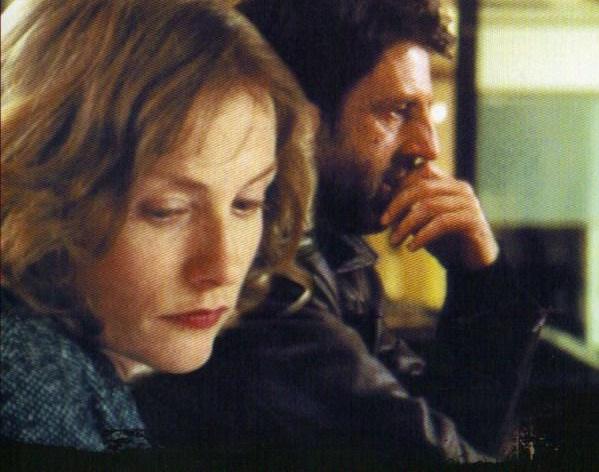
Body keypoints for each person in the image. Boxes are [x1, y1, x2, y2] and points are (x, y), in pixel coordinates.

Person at [231, 0, 544, 459]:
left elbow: (445, 427)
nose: (427, 146)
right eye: (399, 111)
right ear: (297, 120)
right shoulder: (260, 288)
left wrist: (481, 284)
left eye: (427, 111)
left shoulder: (335, 254)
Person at [0, 0, 316, 453]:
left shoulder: (77, 365)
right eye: (167, 211)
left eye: (246, 203)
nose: (223, 268)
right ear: (37, 195)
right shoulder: (27, 371)